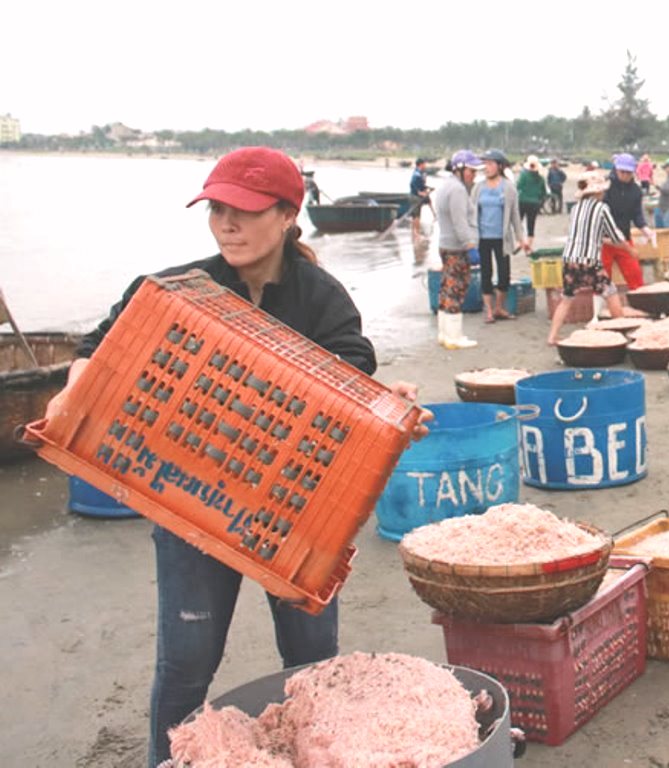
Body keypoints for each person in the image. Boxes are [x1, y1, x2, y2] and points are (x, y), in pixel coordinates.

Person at [42, 147, 426, 768]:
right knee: (187, 662)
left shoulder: (320, 296)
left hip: (293, 512)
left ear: (286, 216)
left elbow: (352, 374)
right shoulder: (179, 289)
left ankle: (319, 754)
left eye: (245, 211)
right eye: (217, 209)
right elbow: (100, 344)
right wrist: (80, 385)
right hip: (197, 500)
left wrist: (387, 402)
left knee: (310, 658)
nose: (227, 224)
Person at [547, 170, 635, 344]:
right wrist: (630, 250)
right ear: (598, 192)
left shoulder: (575, 209)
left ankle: (552, 336)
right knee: (611, 292)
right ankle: (622, 334)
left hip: (570, 259)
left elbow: (586, 235)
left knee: (567, 298)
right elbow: (615, 236)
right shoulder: (601, 208)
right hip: (589, 261)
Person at [473, 149, 530, 323]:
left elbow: (515, 216)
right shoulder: (478, 187)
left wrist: (522, 239)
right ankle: (489, 311)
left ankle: (499, 307)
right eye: (486, 164)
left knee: (504, 274)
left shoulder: (508, 188)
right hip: (482, 238)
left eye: (491, 164)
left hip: (502, 238)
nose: (487, 167)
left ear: (500, 166)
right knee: (486, 273)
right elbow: (471, 214)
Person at [434, 149, 483, 349]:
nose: (474, 175)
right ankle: (454, 337)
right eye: (471, 171)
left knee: (447, 287)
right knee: (456, 288)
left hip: (446, 244)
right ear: (460, 169)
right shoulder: (457, 190)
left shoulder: (445, 186)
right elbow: (460, 222)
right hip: (457, 247)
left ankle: (444, 333)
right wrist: (470, 246)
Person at [603, 152, 653, 290]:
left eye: (628, 172)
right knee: (602, 280)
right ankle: (600, 309)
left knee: (635, 275)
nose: (625, 175)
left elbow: (637, 215)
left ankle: (640, 304)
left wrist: (645, 229)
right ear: (616, 169)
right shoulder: (605, 188)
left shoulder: (636, 191)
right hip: (604, 240)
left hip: (624, 240)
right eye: (622, 171)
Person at [517, 155, 547, 245]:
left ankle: (520, 241)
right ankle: (529, 244)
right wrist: (540, 202)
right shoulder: (541, 178)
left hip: (522, 201)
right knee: (531, 223)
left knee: (519, 221)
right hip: (534, 203)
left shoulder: (523, 175)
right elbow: (543, 193)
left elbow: (518, 186)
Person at [409, 158, 432, 240]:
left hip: (413, 195)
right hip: (415, 197)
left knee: (414, 216)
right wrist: (419, 192)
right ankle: (417, 234)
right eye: (424, 164)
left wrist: (427, 188)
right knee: (417, 216)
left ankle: (414, 233)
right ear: (421, 164)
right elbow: (413, 183)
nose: (425, 166)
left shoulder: (418, 172)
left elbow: (421, 185)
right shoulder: (417, 174)